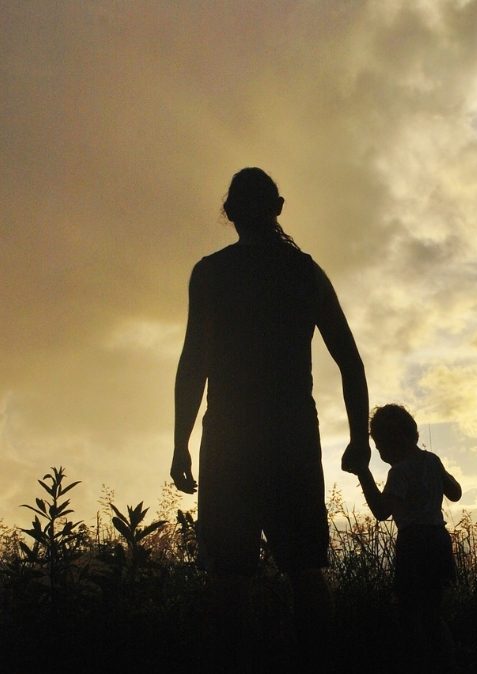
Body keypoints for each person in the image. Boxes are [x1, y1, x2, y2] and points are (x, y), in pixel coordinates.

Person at [171, 167, 370, 662]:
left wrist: (180, 442)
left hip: (230, 440)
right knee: (305, 571)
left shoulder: (212, 273)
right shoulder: (304, 272)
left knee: (228, 577)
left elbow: (193, 361)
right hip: (292, 437)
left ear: (232, 212)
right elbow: (351, 361)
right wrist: (360, 439)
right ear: (278, 207)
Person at [355, 404, 462, 669]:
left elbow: (381, 511)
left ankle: (421, 663)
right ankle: (447, 663)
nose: (379, 451)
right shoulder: (433, 460)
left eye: (379, 445)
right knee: (434, 614)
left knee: (410, 614)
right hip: (438, 539)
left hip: (414, 544)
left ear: (394, 441)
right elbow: (456, 493)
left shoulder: (399, 472)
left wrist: (363, 473)